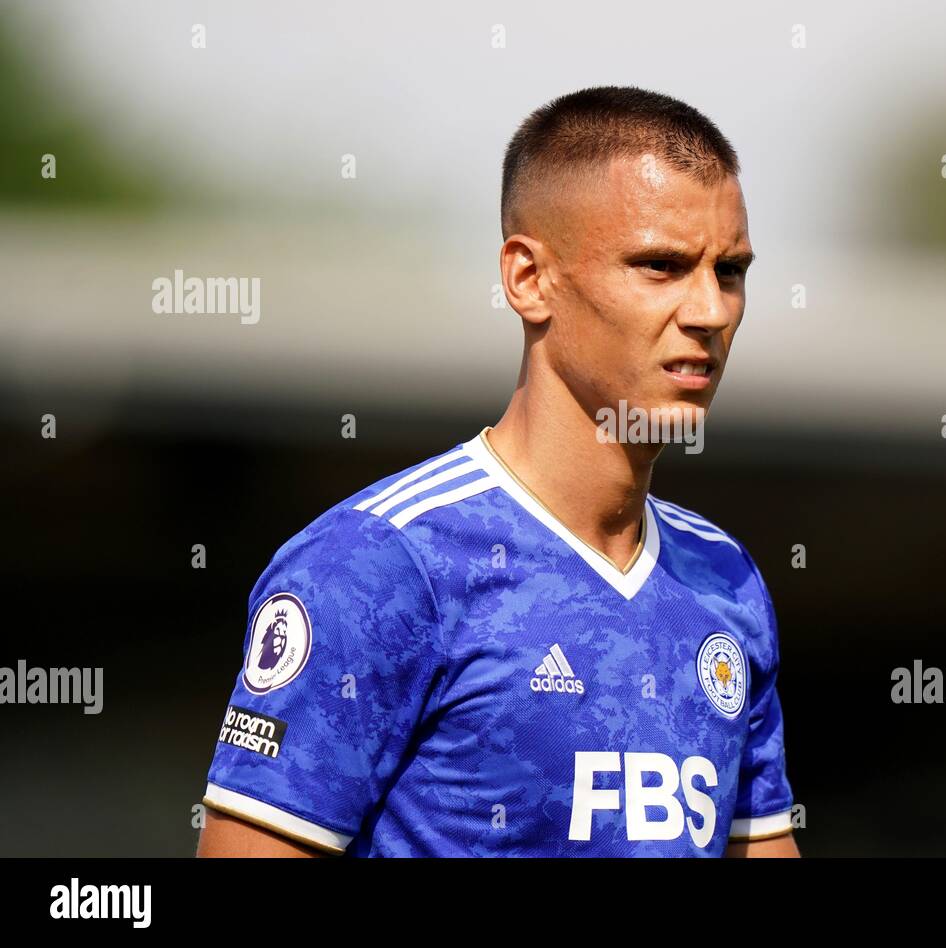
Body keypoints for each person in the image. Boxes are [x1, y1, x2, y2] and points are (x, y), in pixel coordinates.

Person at [197, 85, 797, 857]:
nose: (711, 311)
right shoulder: (379, 567)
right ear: (527, 279)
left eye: (732, 271)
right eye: (662, 265)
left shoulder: (724, 579)